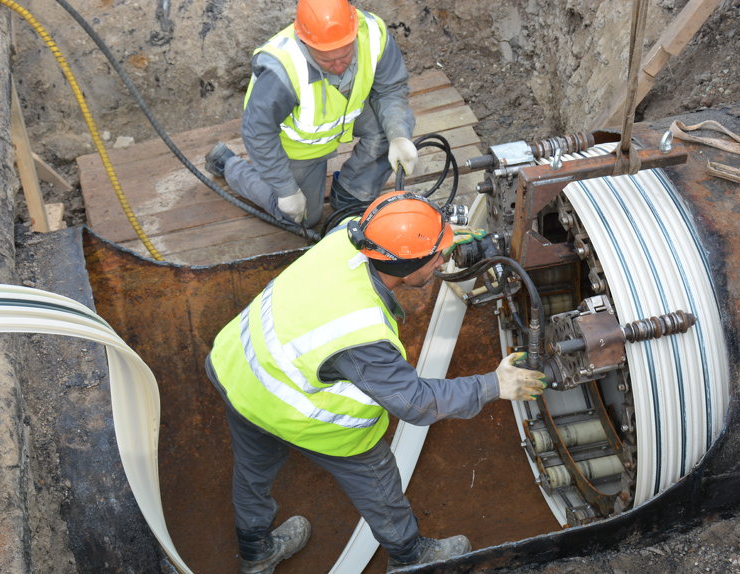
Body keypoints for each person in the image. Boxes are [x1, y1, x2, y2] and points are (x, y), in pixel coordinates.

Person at [205, 191, 548, 573]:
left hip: (239, 370)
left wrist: (441, 235)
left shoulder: (345, 238)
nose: (443, 261)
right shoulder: (361, 334)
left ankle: (257, 551)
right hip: (296, 410)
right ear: (403, 266)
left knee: (253, 470)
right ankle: (410, 558)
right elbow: (416, 403)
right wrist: (494, 385)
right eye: (437, 256)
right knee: (378, 478)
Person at [204, 0, 419, 229]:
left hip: (347, 113)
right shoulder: (282, 70)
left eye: (346, 55)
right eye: (327, 60)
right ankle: (229, 165)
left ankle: (351, 192)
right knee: (303, 218)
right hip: (300, 145)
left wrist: (398, 135)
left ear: (354, 33)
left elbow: (391, 89)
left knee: (395, 125)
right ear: (305, 43)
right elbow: (258, 132)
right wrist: (285, 189)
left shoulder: (373, 34)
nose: (338, 66)